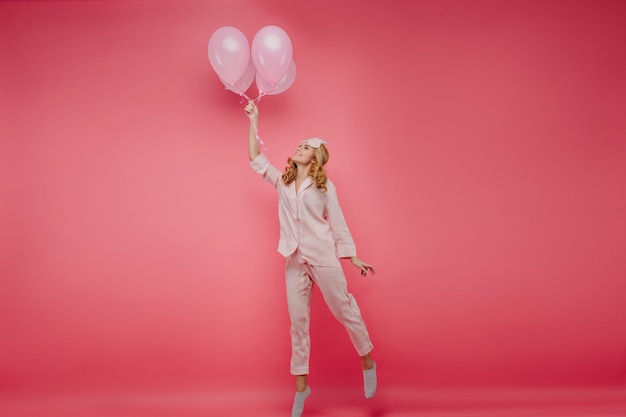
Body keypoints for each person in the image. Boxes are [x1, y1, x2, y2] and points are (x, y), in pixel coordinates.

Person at [245, 100, 377, 417]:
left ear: (315, 157)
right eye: (299, 145)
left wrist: (352, 256)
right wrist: (254, 122)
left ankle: (367, 360)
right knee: (298, 325)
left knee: (344, 309)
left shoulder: (325, 186)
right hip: (293, 259)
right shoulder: (284, 181)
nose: (300, 148)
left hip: (322, 256)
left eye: (306, 147)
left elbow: (339, 222)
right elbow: (256, 159)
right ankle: (302, 389)